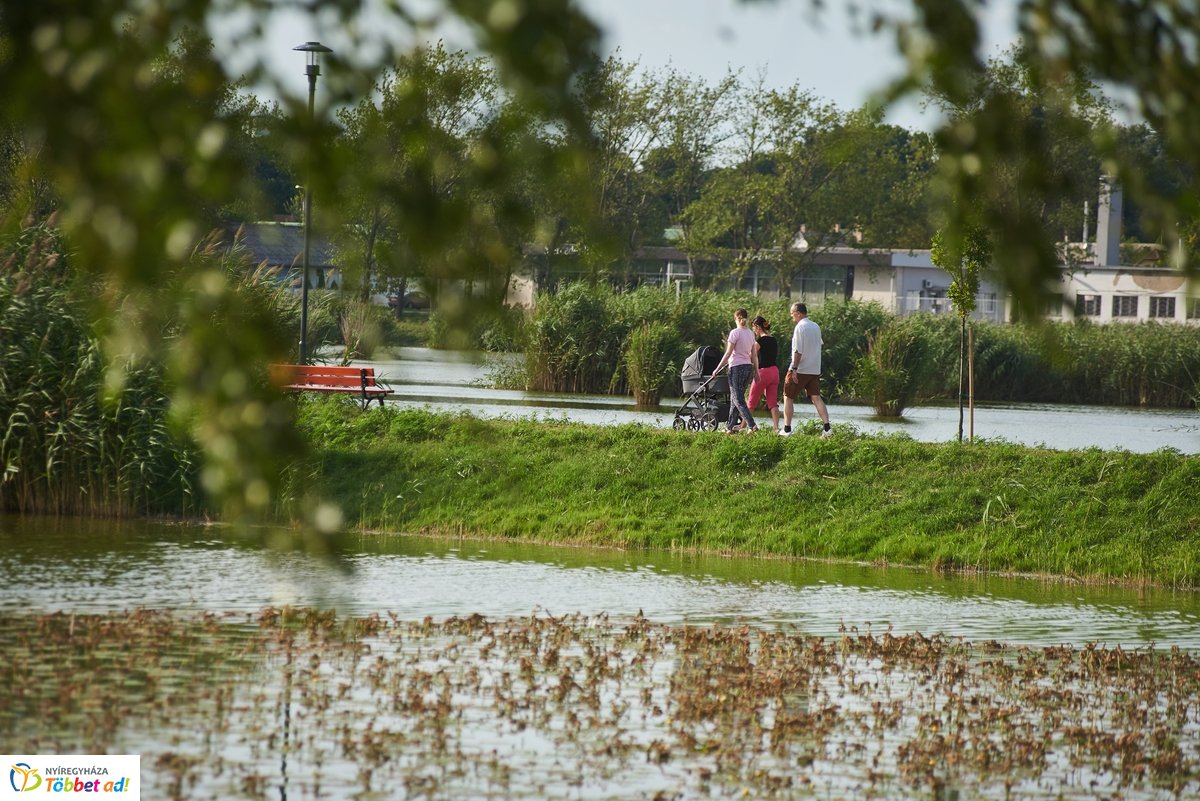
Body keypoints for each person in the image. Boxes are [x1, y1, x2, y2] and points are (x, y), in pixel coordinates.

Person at [780, 302, 832, 438]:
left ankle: (787, 429)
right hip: (814, 369)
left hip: (801, 368)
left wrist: (794, 369)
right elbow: (818, 344)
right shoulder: (815, 326)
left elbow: (798, 351)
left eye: (792, 314)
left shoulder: (800, 327)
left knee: (788, 396)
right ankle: (827, 428)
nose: (792, 317)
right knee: (816, 397)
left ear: (798, 313)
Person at [713, 308, 759, 434]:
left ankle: (752, 425)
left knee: (738, 399)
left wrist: (717, 369)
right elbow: (754, 355)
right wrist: (757, 372)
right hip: (748, 368)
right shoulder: (751, 334)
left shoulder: (735, 333)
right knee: (735, 398)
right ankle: (729, 427)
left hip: (736, 368)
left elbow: (728, 353)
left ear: (736, 319)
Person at [747, 315, 781, 433]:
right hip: (774, 372)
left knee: (751, 401)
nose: (753, 330)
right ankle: (776, 428)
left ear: (758, 327)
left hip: (763, 373)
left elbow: (751, 356)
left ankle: (744, 427)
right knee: (772, 403)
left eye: (753, 327)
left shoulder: (760, 341)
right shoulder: (773, 339)